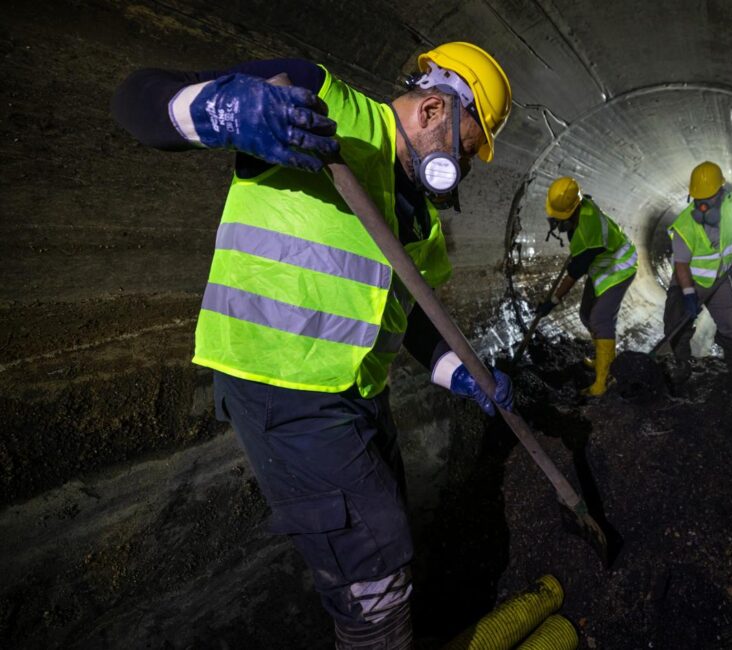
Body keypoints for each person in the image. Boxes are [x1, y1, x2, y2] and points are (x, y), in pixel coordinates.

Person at [111, 43, 514, 648]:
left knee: (385, 540)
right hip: (282, 387)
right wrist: (226, 111)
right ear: (434, 109)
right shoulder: (316, 101)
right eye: (471, 143)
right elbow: (136, 99)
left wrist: (462, 372)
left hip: (356, 397)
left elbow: (418, 321)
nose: (470, 165)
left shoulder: (422, 226)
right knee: (375, 580)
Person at [537, 177, 637, 396]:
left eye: (560, 219)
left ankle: (604, 380)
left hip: (619, 267)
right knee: (585, 315)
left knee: (600, 319)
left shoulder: (588, 229)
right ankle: (603, 359)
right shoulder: (580, 206)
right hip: (602, 268)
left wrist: (552, 301)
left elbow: (574, 273)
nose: (556, 223)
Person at [663, 161, 732, 370]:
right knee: (675, 325)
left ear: (721, 191)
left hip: (719, 280)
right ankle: (682, 366)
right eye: (699, 199)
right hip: (687, 280)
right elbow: (681, 265)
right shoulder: (685, 225)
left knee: (731, 326)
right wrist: (688, 294)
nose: (703, 205)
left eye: (709, 198)